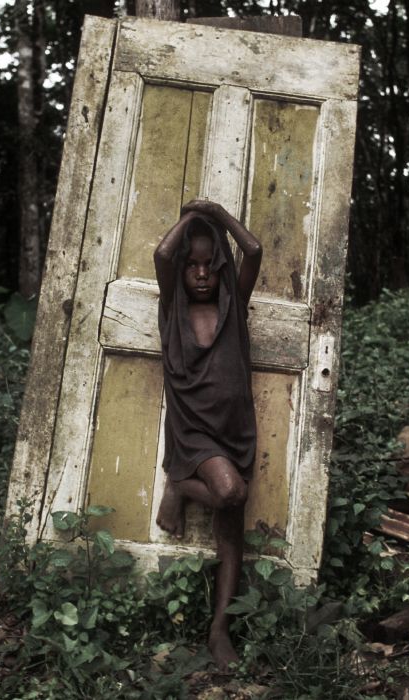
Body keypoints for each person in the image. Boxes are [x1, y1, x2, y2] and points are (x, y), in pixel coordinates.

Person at [153, 199, 262, 671]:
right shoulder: (172, 306)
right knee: (231, 491)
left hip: (236, 432)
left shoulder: (233, 303)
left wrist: (216, 215)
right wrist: (189, 219)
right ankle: (179, 481)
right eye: (192, 265)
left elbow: (253, 250)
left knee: (232, 522)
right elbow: (162, 256)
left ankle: (220, 629)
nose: (201, 274)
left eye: (209, 265)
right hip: (194, 434)